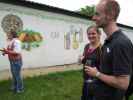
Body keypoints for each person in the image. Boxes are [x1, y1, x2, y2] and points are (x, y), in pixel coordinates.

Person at [84, 0, 133, 100]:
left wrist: (97, 74)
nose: (93, 18)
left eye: (97, 14)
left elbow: (123, 83)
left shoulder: (120, 43)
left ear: (110, 15)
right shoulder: (109, 40)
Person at [78, 26, 101, 100]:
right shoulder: (87, 46)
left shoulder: (102, 49)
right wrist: (80, 60)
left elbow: (105, 68)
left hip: (96, 82)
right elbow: (85, 60)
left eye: (93, 33)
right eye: (89, 34)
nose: (91, 36)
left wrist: (97, 74)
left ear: (99, 34)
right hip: (86, 79)